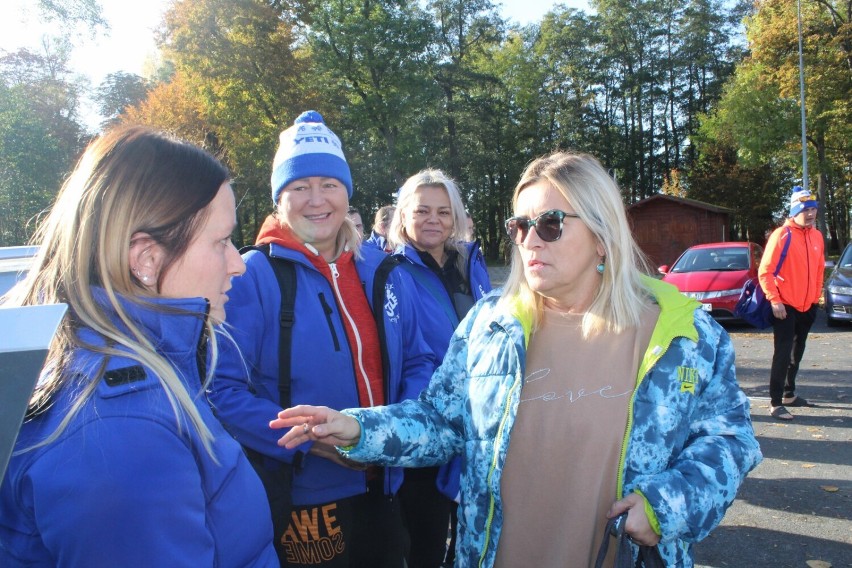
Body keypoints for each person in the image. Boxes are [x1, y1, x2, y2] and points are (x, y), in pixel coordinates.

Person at [271, 151, 762, 568]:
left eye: (550, 224)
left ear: (600, 234)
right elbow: (441, 421)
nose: (529, 240)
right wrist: (358, 430)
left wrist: (664, 507)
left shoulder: (684, 334)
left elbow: (729, 440)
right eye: (520, 225)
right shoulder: (492, 322)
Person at [0, 126, 278, 567]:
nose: (238, 263)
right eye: (221, 242)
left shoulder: (124, 369)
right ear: (146, 258)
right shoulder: (119, 431)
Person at [207, 111, 436, 568]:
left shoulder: (382, 270)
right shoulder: (254, 276)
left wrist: (390, 433)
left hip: (386, 484)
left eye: (328, 184)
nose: (316, 200)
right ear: (279, 198)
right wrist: (314, 439)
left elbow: (420, 359)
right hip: (307, 498)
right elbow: (221, 393)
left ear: (346, 191)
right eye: (299, 186)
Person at [387, 169, 492, 567]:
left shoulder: (471, 264)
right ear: (404, 216)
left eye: (443, 212)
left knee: (471, 533)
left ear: (456, 217)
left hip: (476, 419)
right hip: (426, 418)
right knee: (425, 540)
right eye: (423, 211)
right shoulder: (390, 272)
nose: (433, 220)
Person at [758, 187, 824, 421]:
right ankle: (776, 403)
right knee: (783, 354)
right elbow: (764, 271)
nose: (811, 214)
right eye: (806, 210)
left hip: (808, 306)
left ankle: (789, 393)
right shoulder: (782, 235)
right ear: (795, 211)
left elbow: (818, 270)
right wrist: (775, 301)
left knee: (798, 352)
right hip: (785, 306)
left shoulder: (816, 236)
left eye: (814, 210)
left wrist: (816, 298)